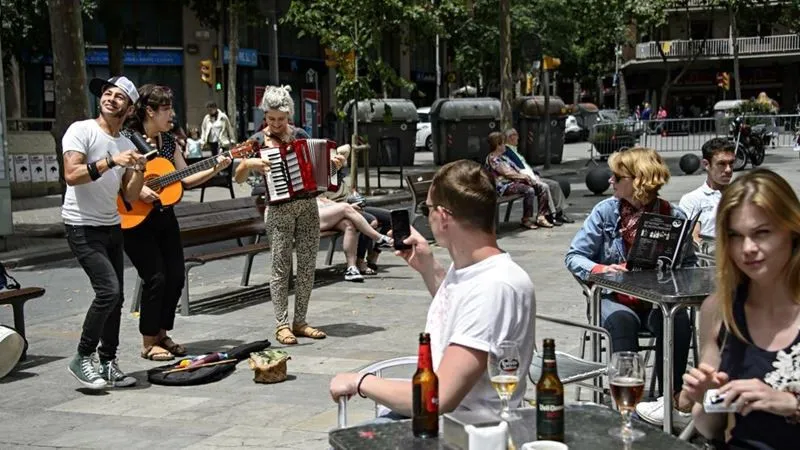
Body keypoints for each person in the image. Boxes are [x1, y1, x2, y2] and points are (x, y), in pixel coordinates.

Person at [329, 160, 536, 415]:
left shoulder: (494, 287)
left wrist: (360, 381)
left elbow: (438, 396)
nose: (426, 217)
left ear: (443, 216)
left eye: (427, 209)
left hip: (462, 427)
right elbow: (461, 311)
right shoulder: (475, 269)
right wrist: (429, 267)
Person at [564, 147, 695, 425]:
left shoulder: (674, 215)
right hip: (614, 297)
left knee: (678, 320)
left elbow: (690, 265)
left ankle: (670, 400)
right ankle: (629, 407)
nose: (610, 180)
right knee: (622, 321)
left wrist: (672, 270)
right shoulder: (605, 212)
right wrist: (600, 269)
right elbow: (574, 256)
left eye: (617, 176)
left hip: (658, 301)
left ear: (639, 180)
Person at [683, 169, 800, 448]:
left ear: (793, 231)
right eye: (735, 235)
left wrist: (790, 403)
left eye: (761, 233)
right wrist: (707, 398)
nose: (747, 248)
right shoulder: (719, 309)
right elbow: (709, 428)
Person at [121, 84, 232, 361]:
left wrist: (215, 167)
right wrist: (138, 190)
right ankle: (148, 342)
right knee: (155, 277)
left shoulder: (169, 142)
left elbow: (184, 178)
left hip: (164, 216)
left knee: (175, 276)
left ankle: (162, 334)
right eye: (166, 109)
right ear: (149, 111)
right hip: (134, 219)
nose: (171, 114)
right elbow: (115, 179)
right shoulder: (127, 138)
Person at [62, 76, 147, 389]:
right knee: (108, 291)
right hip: (81, 225)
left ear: (130, 108)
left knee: (117, 297)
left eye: (119, 96)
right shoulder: (81, 130)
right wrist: (111, 161)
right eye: (107, 93)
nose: (111, 98)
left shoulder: (127, 144)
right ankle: (82, 357)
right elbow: (72, 175)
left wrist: (139, 169)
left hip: (111, 225)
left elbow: (130, 195)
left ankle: (108, 361)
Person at [233, 85, 324, 346]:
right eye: (271, 118)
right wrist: (248, 164)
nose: (275, 124)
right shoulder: (256, 141)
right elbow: (238, 177)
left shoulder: (300, 135)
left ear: (289, 116)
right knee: (280, 267)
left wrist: (332, 165)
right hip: (278, 210)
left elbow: (316, 168)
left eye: (281, 119)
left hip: (307, 206)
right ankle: (282, 324)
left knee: (307, 266)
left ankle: (301, 322)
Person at [485, 132, 555, 230]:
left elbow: (517, 169)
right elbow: (508, 173)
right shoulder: (493, 158)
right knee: (529, 190)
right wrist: (524, 178)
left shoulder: (504, 157)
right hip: (503, 187)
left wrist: (532, 177)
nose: (505, 145)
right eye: (503, 143)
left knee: (543, 186)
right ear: (498, 145)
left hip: (514, 182)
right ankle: (526, 219)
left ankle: (541, 216)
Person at [503, 128, 574, 224]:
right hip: (524, 179)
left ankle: (559, 213)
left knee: (554, 184)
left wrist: (536, 174)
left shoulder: (514, 151)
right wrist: (532, 177)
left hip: (531, 176)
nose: (518, 138)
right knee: (547, 186)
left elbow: (526, 167)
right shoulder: (507, 152)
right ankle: (551, 215)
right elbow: (518, 169)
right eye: (516, 135)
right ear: (511, 137)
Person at [679, 138, 736, 254]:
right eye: (722, 164)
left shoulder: (742, 196)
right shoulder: (692, 200)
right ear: (706, 164)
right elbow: (693, 239)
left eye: (731, 163)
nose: (728, 169)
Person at [317, 197, 392, 282]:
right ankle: (379, 238)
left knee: (349, 225)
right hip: (311, 218)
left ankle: (351, 268)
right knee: (346, 207)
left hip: (327, 214)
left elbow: (323, 200)